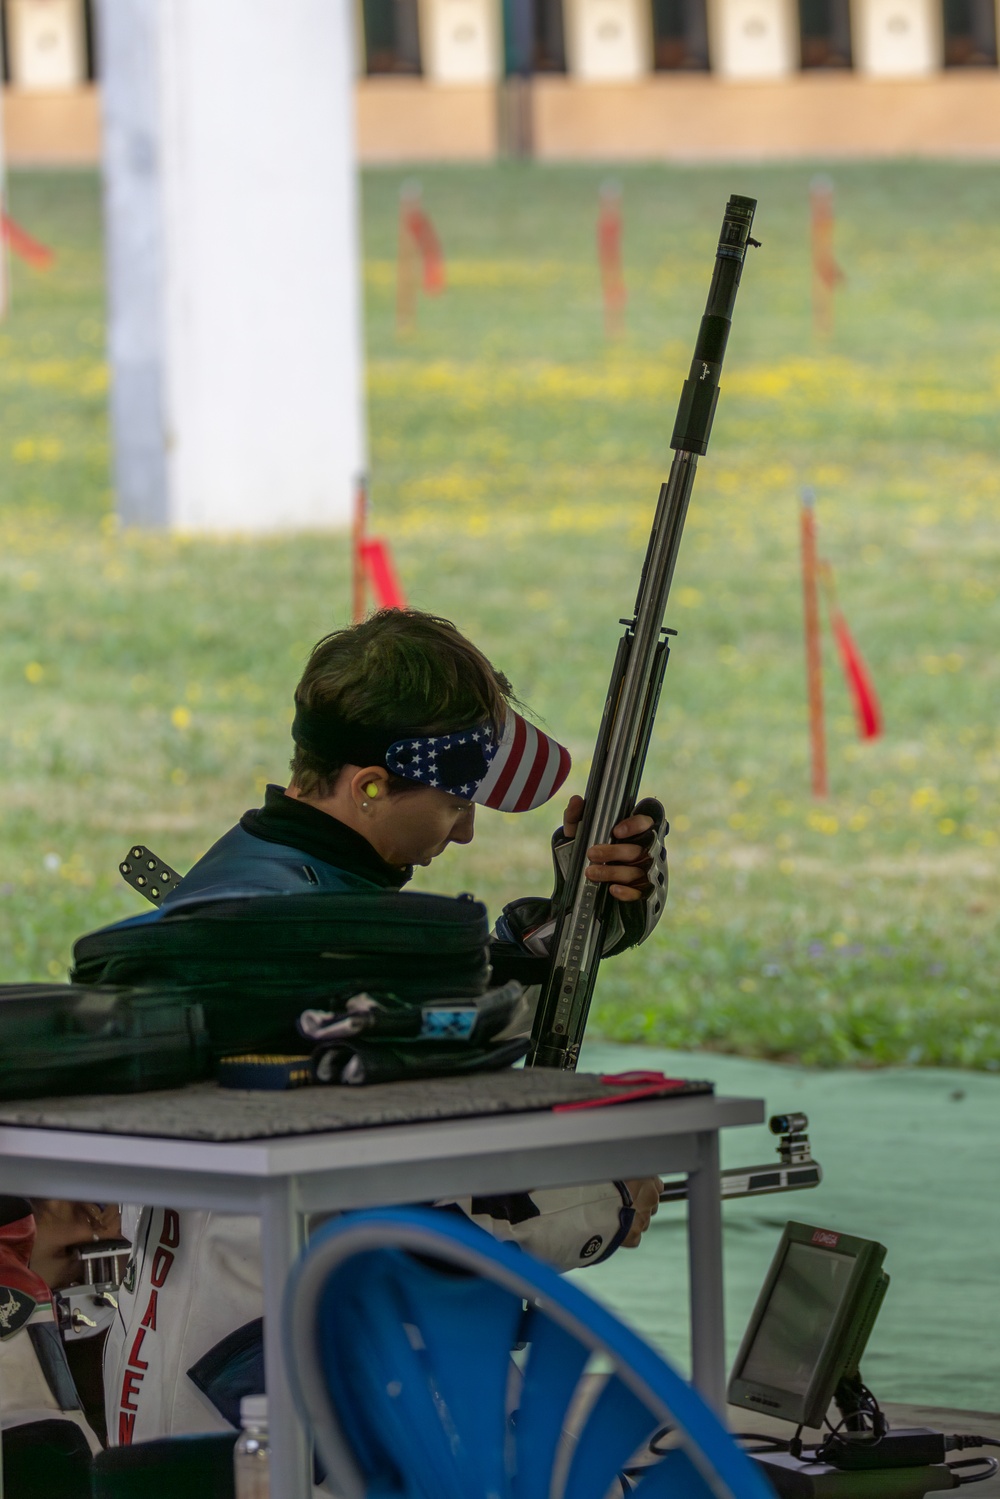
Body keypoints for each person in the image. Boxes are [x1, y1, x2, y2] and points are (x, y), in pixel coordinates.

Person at [102, 609, 670, 1450]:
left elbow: (398, 1011)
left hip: (226, 1375)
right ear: (368, 784)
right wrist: (603, 1201)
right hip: (282, 1404)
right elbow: (417, 1233)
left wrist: (569, 930)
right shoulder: (309, 929)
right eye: (453, 800)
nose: (469, 827)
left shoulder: (267, 889)